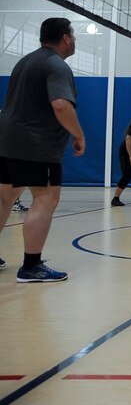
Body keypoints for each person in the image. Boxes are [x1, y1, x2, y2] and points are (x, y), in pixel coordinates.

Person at [0, 18, 85, 282]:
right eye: (73, 35)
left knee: (5, 196)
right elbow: (60, 104)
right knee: (45, 198)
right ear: (66, 38)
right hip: (36, 144)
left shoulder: (25, 61)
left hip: (7, 139)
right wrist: (78, 133)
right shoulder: (56, 65)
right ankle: (31, 266)